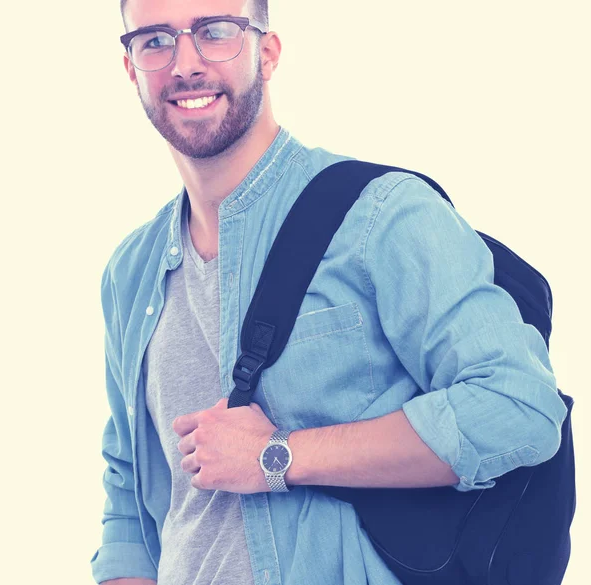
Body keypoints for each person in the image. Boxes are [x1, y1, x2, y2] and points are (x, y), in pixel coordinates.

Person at [91, 1, 568, 584]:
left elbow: (519, 406)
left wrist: (278, 456)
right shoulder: (130, 272)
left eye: (217, 32)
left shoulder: (381, 215)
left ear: (266, 52)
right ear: (130, 65)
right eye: (156, 40)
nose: (186, 62)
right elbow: (128, 491)